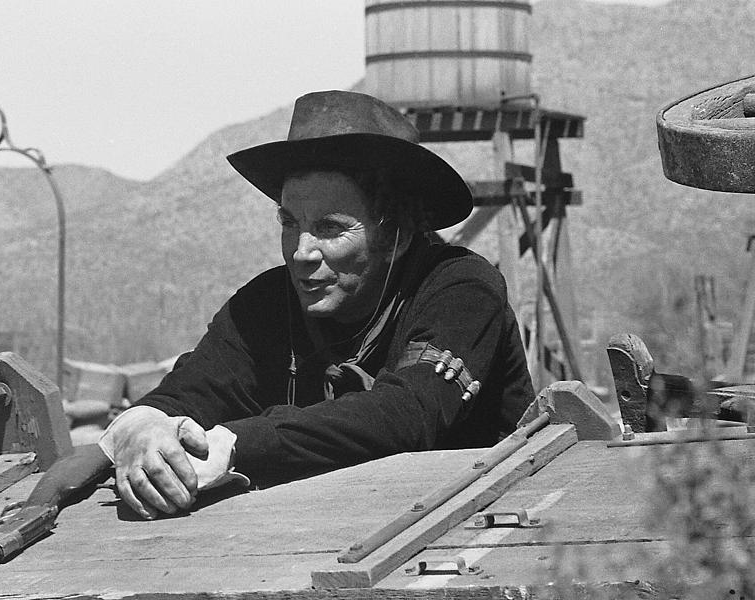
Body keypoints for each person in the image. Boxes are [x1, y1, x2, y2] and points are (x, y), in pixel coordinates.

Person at [100, 90, 534, 520]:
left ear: (394, 233)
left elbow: (409, 413)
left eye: (330, 228)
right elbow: (190, 390)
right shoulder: (264, 305)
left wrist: (238, 442)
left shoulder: (460, 288)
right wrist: (142, 425)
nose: (302, 252)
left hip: (480, 531)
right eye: (290, 223)